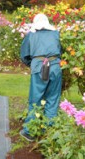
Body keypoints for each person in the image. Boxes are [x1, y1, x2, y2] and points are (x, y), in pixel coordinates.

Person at [19, 13, 62, 142]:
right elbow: (60, 51)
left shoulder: (31, 35)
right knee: (53, 98)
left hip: (39, 67)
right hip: (55, 66)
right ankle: (49, 130)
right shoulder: (56, 34)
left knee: (35, 99)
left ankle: (30, 131)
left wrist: (32, 64)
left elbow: (24, 55)